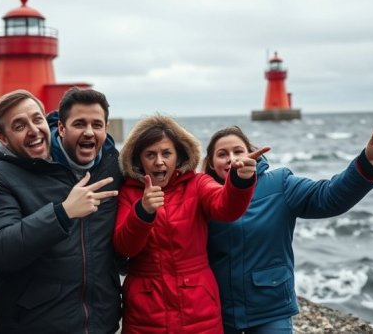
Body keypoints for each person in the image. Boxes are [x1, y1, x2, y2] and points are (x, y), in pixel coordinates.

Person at [202, 125, 373, 334]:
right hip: (219, 311)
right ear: (211, 163)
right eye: (222, 154)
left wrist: (368, 165)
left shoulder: (279, 184)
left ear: (250, 154)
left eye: (238, 151)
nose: (231, 158)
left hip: (271, 310)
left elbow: (328, 197)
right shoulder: (201, 197)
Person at [0, 88, 124, 333]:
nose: (33, 130)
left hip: (101, 321)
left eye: (36, 119)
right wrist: (62, 213)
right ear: (3, 138)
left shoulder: (111, 165)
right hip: (34, 324)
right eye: (19, 126)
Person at [113, 115, 268, 334]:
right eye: (150, 155)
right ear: (139, 160)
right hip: (145, 308)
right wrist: (143, 212)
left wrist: (241, 180)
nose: (159, 161)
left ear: (179, 156)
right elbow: (124, 248)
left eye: (166, 153)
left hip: (197, 303)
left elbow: (227, 208)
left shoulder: (197, 184)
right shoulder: (129, 193)